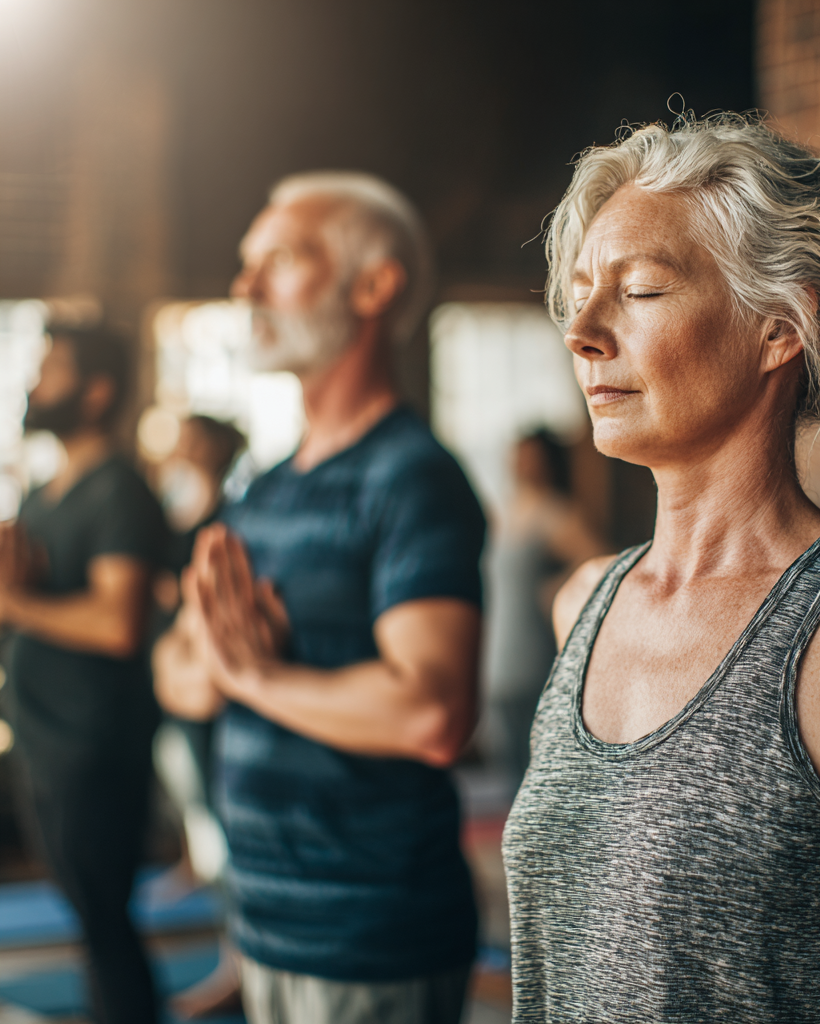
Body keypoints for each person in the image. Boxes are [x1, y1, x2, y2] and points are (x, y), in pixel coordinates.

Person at [500, 112, 820, 1023]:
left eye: (641, 292)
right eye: (581, 293)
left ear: (779, 327)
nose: (582, 330)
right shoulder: (584, 605)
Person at [153, 172, 485, 1024]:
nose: (245, 286)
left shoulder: (412, 478)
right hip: (262, 922)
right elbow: (176, 672)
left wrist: (255, 674)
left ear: (373, 286)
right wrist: (226, 665)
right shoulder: (259, 489)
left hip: (371, 929)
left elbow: (431, 714)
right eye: (244, 263)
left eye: (281, 260)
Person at [0, 325, 166, 1024]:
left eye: (54, 371)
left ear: (96, 393)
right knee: (86, 920)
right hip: (41, 737)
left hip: (92, 748)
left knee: (105, 922)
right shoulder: (43, 493)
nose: (37, 385)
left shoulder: (117, 491)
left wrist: (14, 600)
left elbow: (116, 622)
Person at [150, 414, 246, 1020]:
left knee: (224, 829)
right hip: (180, 687)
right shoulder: (176, 507)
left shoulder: (227, 519)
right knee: (199, 811)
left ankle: (237, 963)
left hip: (209, 697)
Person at [483, 430, 603, 786]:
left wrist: (562, 585)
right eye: (518, 455)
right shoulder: (499, 513)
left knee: (539, 771)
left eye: (530, 456)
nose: (522, 464)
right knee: (505, 772)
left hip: (535, 658)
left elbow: (601, 559)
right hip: (496, 663)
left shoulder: (555, 514)